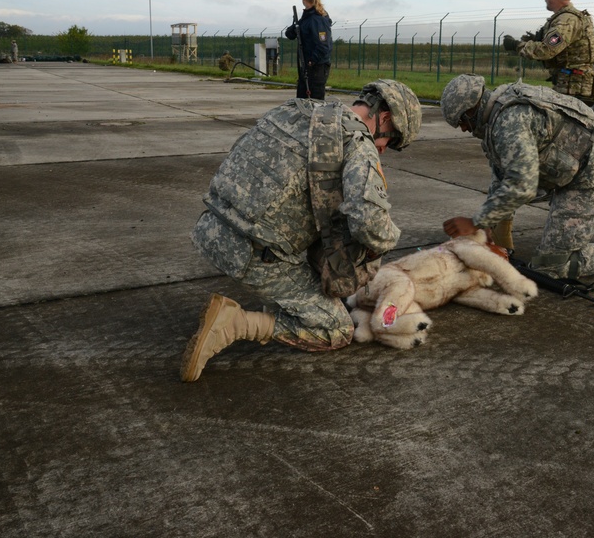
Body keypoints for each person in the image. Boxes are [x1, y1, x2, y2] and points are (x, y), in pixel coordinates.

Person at [179, 79, 422, 382]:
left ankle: (280, 297)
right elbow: (370, 222)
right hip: (251, 255)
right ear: (385, 118)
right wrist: (386, 241)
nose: (383, 150)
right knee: (336, 328)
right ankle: (234, 324)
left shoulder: (298, 109)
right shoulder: (357, 142)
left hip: (210, 229)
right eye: (390, 142)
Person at [440, 74, 594, 283]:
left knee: (551, 266)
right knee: (508, 197)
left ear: (472, 108)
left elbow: (522, 186)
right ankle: (503, 243)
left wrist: (477, 221)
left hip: (590, 176)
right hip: (565, 170)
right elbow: (503, 177)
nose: (463, 129)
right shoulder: (497, 116)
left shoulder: (509, 122)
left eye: (462, 121)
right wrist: (494, 236)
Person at [503, 0, 594, 107]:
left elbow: (547, 50)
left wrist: (516, 45)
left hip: (572, 90)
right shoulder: (570, 17)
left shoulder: (566, 20)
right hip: (573, 87)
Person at [284, 0, 333, 100]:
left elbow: (323, 45)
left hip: (317, 67)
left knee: (315, 102)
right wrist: (294, 26)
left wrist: (312, 61)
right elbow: (291, 34)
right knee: (302, 99)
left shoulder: (318, 19)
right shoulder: (306, 18)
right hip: (306, 66)